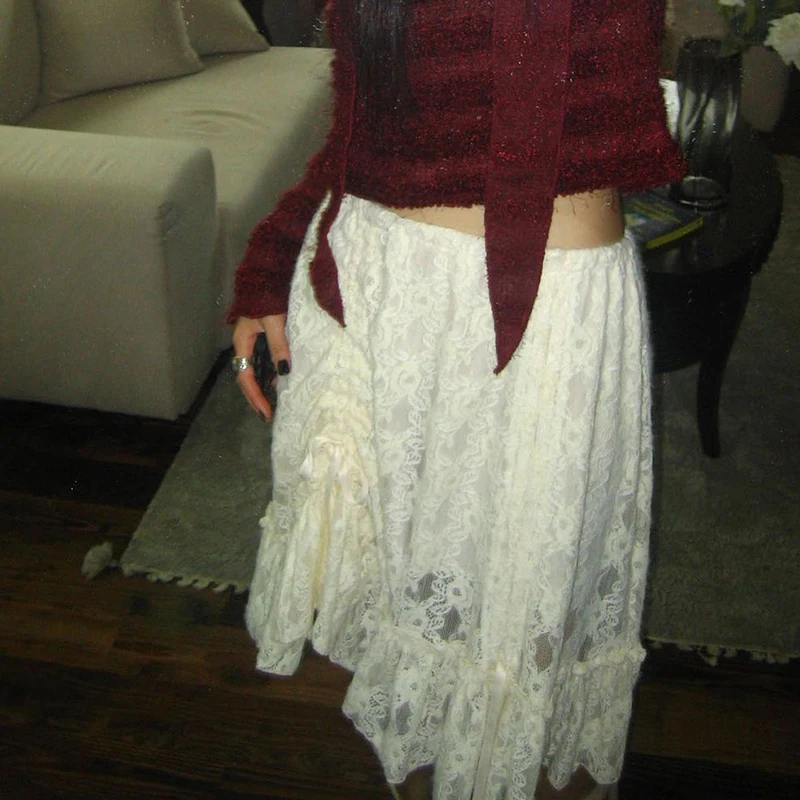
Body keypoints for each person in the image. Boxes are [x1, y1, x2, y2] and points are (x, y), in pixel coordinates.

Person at [228, 2, 685, 799]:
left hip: (540, 318)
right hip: (374, 281)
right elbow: (362, 118)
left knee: (524, 647)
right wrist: (272, 255)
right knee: (409, 610)